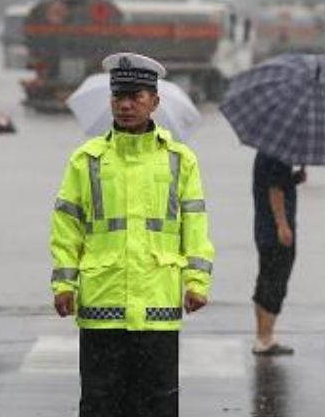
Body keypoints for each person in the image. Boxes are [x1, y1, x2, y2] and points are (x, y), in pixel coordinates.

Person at [49, 52, 215, 417]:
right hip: (101, 304)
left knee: (157, 405)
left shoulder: (179, 160)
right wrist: (64, 284)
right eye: (118, 97)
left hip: (158, 305)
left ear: (154, 102)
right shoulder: (86, 159)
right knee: (99, 405)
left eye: (135, 97)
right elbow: (67, 225)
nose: (125, 105)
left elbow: (195, 224)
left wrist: (197, 281)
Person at [251, 151, 306, 355]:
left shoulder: (265, 151)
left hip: (263, 228)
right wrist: (282, 225)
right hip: (275, 231)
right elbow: (275, 190)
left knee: (266, 279)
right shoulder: (280, 154)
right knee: (275, 282)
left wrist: (294, 179)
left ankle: (262, 336)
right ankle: (265, 339)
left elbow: (274, 183)